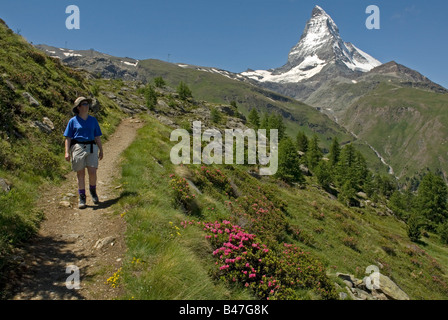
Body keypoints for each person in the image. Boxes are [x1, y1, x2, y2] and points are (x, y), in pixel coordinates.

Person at [64, 97, 104, 209]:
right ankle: (82, 197)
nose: (87, 106)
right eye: (84, 104)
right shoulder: (72, 121)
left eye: (87, 104)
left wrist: (101, 149)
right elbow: (68, 138)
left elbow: (97, 136)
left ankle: (93, 191)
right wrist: (66, 152)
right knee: (80, 173)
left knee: (92, 171)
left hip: (92, 146)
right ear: (79, 107)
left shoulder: (93, 120)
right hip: (78, 147)